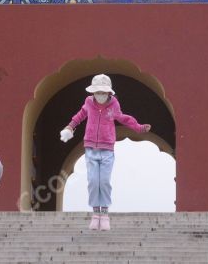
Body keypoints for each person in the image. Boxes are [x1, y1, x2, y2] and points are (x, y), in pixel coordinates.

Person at [60, 74, 151, 231]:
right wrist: (69, 127)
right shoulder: (88, 102)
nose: (100, 95)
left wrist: (139, 127)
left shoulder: (114, 104)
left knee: (104, 182)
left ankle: (105, 214)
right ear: (93, 93)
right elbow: (79, 116)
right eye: (97, 92)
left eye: (103, 92)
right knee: (94, 181)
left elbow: (123, 118)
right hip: (90, 148)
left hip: (107, 149)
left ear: (109, 93)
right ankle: (96, 214)